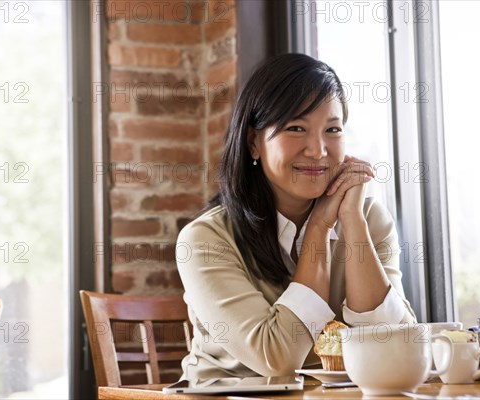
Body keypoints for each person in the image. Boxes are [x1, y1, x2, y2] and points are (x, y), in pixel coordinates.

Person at [175, 53, 417, 380]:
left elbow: (394, 346)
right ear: (253, 143)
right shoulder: (205, 240)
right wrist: (319, 227)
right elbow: (277, 358)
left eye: (332, 129)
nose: (317, 150)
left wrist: (353, 223)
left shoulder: (366, 218)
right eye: (296, 127)